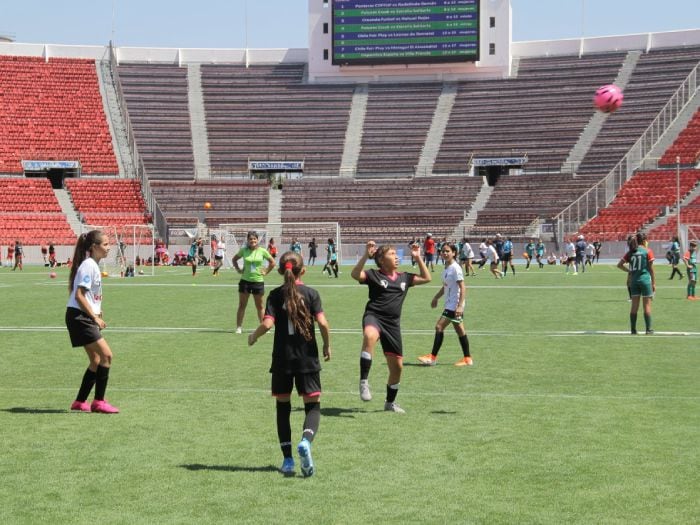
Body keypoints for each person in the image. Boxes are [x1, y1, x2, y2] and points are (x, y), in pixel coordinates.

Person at [248, 251, 331, 477]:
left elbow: (267, 325)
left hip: (282, 359)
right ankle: (305, 441)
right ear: (302, 270)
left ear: (280, 271)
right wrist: (326, 345)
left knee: (282, 408)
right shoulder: (311, 294)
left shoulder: (275, 295)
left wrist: (253, 336)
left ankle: (287, 460)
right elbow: (323, 323)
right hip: (307, 359)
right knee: (312, 406)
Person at [351, 241, 431, 413]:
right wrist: (366, 255)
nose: (396, 256)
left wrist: (418, 258)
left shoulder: (404, 278)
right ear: (381, 259)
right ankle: (364, 382)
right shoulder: (374, 275)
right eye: (392, 254)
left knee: (397, 368)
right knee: (369, 335)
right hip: (374, 316)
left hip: (393, 325)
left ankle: (390, 403)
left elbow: (427, 278)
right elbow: (355, 274)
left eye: (396, 254)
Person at [65, 230, 119, 414]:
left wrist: (97, 310)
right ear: (94, 247)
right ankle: (99, 401)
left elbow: (87, 295)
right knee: (107, 356)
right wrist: (94, 317)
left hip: (82, 316)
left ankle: (80, 402)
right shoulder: (89, 265)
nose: (109, 247)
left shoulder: (92, 264)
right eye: (105, 244)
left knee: (96, 360)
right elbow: (79, 295)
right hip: (80, 317)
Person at [418, 243, 473, 367]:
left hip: (454, 305)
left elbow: (463, 288)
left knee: (439, 327)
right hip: (450, 304)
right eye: (443, 251)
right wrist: (436, 298)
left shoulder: (455, 268)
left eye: (448, 251)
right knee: (460, 331)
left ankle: (432, 358)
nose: (445, 253)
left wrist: (459, 306)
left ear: (454, 253)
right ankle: (468, 359)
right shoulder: (447, 269)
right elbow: (445, 287)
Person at [232, 231, 276, 334]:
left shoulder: (262, 251)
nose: (253, 241)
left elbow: (272, 263)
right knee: (242, 305)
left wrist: (266, 271)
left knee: (260, 306)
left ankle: (263, 327)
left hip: (258, 282)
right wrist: (238, 269)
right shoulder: (244, 250)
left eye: (254, 239)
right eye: (250, 239)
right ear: (247, 240)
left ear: (257, 240)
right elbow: (234, 259)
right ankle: (239, 327)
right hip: (245, 282)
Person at [617, 233, 656, 335]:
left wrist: (629, 271)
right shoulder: (648, 251)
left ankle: (633, 330)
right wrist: (654, 283)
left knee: (634, 306)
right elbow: (651, 269)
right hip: (645, 280)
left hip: (634, 281)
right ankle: (648, 329)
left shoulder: (630, 252)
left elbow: (619, 265)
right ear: (644, 241)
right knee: (647, 306)